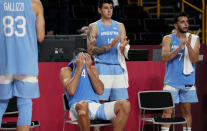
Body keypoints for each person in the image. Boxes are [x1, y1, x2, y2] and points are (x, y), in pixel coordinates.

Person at [0, 0, 45, 130]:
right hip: (26, 61)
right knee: (25, 103)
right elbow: (41, 36)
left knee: (1, 104)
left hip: (4, 61)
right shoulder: (35, 4)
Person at [60, 51, 131, 131]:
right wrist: (79, 69)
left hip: (95, 106)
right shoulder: (66, 70)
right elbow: (71, 90)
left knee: (125, 104)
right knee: (83, 105)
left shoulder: (92, 69)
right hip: (76, 107)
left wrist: (89, 69)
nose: (84, 60)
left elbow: (100, 90)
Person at [161, 12, 200, 131]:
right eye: (182, 22)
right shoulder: (168, 38)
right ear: (176, 25)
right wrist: (179, 48)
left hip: (188, 81)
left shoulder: (194, 39)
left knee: (186, 110)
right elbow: (164, 57)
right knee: (167, 111)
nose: (186, 24)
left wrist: (187, 45)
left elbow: (194, 59)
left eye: (187, 22)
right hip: (171, 81)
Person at [87, 0, 130, 103]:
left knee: (121, 103)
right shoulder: (93, 26)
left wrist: (123, 47)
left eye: (111, 7)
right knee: (101, 101)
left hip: (118, 67)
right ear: (99, 10)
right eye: (106, 8)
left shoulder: (120, 26)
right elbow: (90, 50)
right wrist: (109, 46)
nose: (109, 10)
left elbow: (122, 48)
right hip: (102, 67)